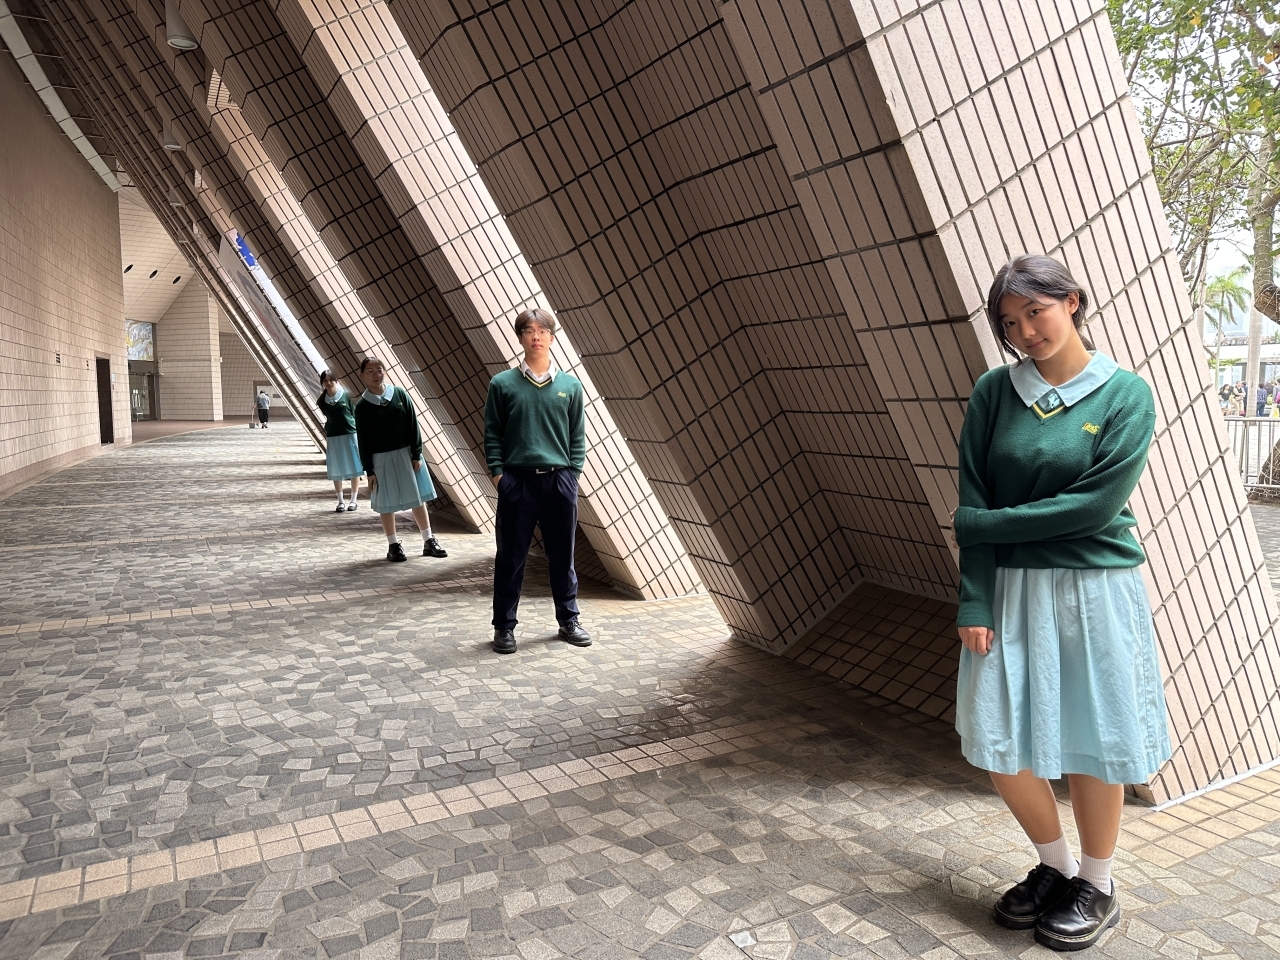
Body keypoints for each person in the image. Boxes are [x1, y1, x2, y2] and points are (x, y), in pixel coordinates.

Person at [952, 255, 1170, 952]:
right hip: (1009, 591)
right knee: (997, 737)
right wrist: (973, 599)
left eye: (1035, 312)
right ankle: (1056, 867)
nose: (1025, 331)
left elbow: (1095, 506)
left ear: (1071, 302)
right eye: (1009, 322)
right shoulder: (995, 392)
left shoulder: (1125, 394)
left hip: (1094, 590)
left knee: (1093, 738)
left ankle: (1098, 885)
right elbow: (975, 492)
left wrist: (985, 526)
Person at [483, 307, 592, 654]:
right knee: (511, 557)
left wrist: (573, 475)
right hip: (517, 482)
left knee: (563, 557)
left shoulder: (570, 386)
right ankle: (504, 627)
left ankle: (569, 620)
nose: (536, 337)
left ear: (552, 337)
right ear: (520, 338)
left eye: (542, 331)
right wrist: (499, 476)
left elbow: (577, 436)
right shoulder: (502, 384)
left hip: (560, 481)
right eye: (529, 331)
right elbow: (492, 434)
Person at [353, 358, 447, 562]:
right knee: (386, 503)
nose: (376, 375)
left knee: (417, 498)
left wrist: (417, 453)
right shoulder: (362, 406)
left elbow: (413, 424)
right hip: (380, 459)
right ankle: (393, 545)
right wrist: (369, 470)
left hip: (406, 454)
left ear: (385, 371)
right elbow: (363, 440)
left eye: (379, 370)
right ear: (362, 376)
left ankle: (429, 540)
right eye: (370, 371)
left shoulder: (399, 394)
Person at [317, 371, 364, 512]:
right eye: (325, 381)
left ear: (336, 381)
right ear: (322, 383)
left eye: (331, 380)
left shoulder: (346, 396)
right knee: (336, 468)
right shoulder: (322, 401)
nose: (328, 383)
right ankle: (340, 501)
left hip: (350, 434)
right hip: (333, 436)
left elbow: (355, 414)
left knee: (355, 467)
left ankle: (354, 500)